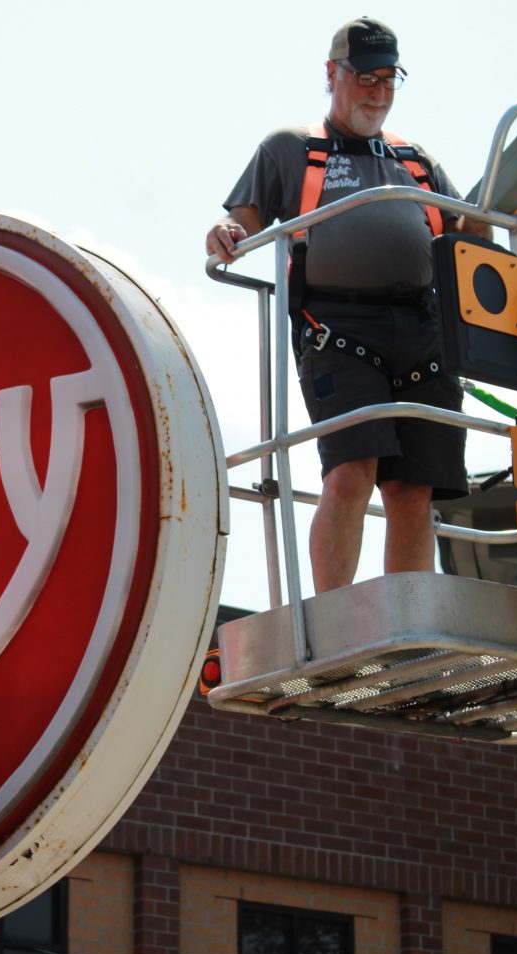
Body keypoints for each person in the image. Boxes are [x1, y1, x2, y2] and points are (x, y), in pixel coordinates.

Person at [206, 17, 485, 593]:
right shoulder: (291, 149)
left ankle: (405, 629)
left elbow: (470, 231)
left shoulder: (415, 159)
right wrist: (224, 231)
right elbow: (243, 219)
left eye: (389, 80)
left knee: (414, 488)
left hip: (422, 329)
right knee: (351, 472)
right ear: (332, 74)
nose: (378, 93)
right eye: (366, 78)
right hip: (337, 329)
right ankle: (339, 626)